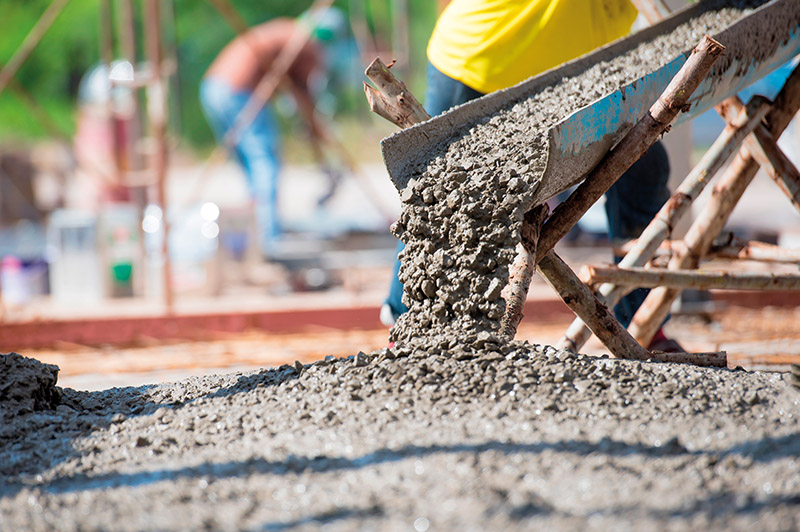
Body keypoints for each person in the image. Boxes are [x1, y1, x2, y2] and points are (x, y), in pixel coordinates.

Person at [380, 0, 681, 351]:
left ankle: (645, 325)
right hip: (482, 61)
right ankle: (410, 330)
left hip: (575, 73)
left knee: (643, 167)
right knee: (446, 194)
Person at [199, 11, 344, 258]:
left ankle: (257, 230)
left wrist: (311, 126)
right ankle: (269, 238)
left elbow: (297, 93)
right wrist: (318, 132)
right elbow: (305, 94)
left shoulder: (286, 32)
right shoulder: (304, 43)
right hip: (238, 91)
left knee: (250, 167)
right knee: (265, 161)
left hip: (213, 88)